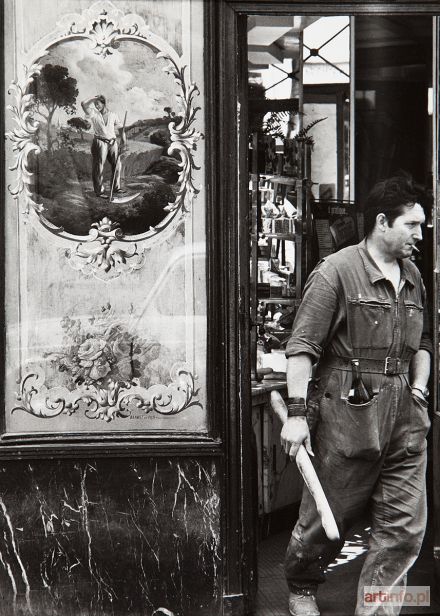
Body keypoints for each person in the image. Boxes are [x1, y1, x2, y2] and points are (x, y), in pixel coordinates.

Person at [281, 176, 432, 616]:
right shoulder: (336, 271)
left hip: (405, 414)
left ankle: (377, 610)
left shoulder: (414, 276)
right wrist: (295, 413)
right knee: (328, 517)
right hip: (350, 412)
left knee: (402, 527)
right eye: (413, 225)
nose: (421, 235)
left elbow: (423, 344)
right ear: (382, 223)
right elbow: (302, 348)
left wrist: (418, 390)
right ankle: (302, 583)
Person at [81, 94, 127, 197]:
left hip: (113, 143)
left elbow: (120, 128)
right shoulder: (93, 113)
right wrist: (94, 98)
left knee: (117, 165)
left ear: (104, 103)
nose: (96, 106)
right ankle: (99, 191)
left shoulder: (113, 115)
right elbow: (83, 104)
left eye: (98, 104)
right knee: (99, 167)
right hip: (99, 142)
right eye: (95, 104)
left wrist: (123, 140)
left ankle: (116, 188)